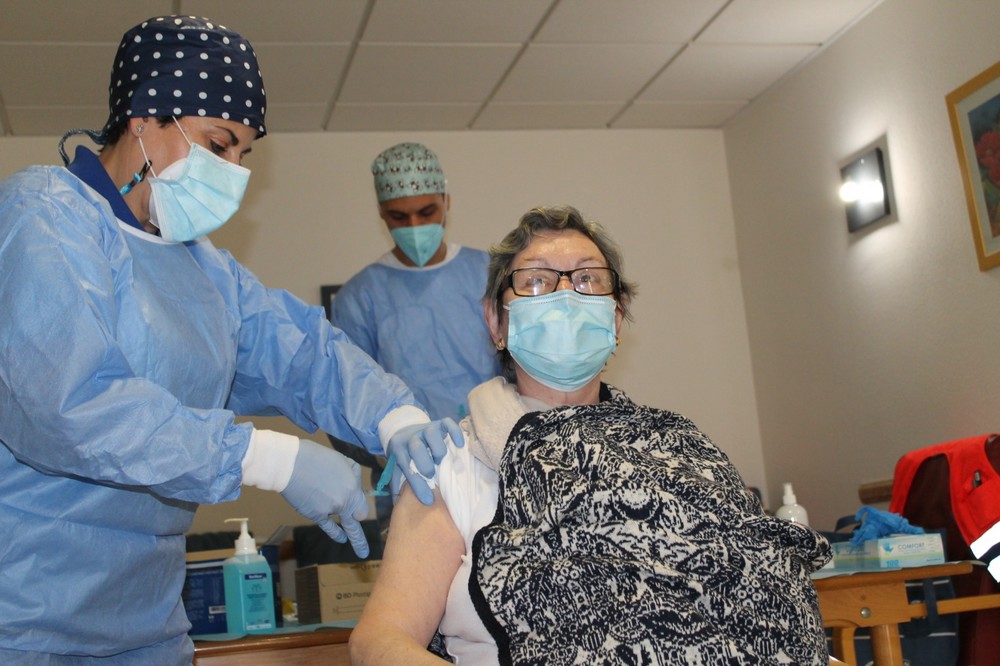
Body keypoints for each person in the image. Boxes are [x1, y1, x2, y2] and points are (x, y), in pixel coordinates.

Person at [0, 16, 459, 665]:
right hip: (25, 619)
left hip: (148, 622)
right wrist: (269, 459)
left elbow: (301, 352)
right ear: (143, 119)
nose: (234, 173)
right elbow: (68, 406)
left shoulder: (203, 270)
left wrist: (396, 417)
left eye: (245, 154)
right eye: (220, 144)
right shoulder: (42, 216)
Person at [350, 205, 833, 665]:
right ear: (496, 322)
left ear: (616, 317)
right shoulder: (450, 463)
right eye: (536, 280)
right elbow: (380, 641)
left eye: (587, 279)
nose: (565, 297)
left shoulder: (684, 450)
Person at [330, 142, 500, 422]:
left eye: (426, 212)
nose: (414, 226)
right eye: (399, 216)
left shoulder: (489, 273)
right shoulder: (360, 296)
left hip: (492, 442)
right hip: (406, 450)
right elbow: (352, 393)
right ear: (381, 213)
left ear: (447, 201)